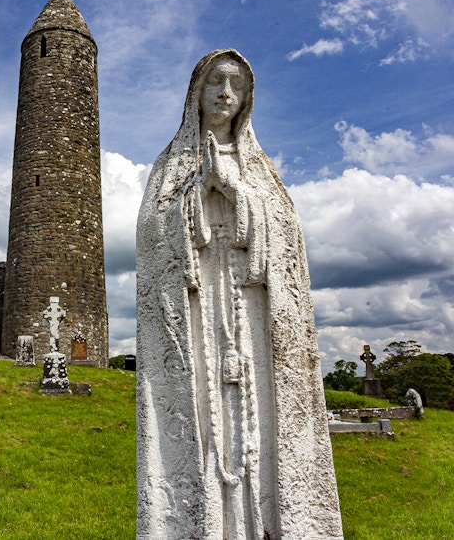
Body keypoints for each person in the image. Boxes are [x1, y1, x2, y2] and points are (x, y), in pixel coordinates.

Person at [136, 49, 343, 540]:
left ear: (248, 99)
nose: (226, 93)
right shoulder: (171, 166)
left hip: (254, 322)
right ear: (196, 94)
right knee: (203, 431)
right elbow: (150, 233)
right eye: (216, 82)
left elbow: (287, 235)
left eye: (237, 85)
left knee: (262, 435)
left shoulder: (261, 169)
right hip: (197, 318)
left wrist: (235, 191)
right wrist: (195, 196)